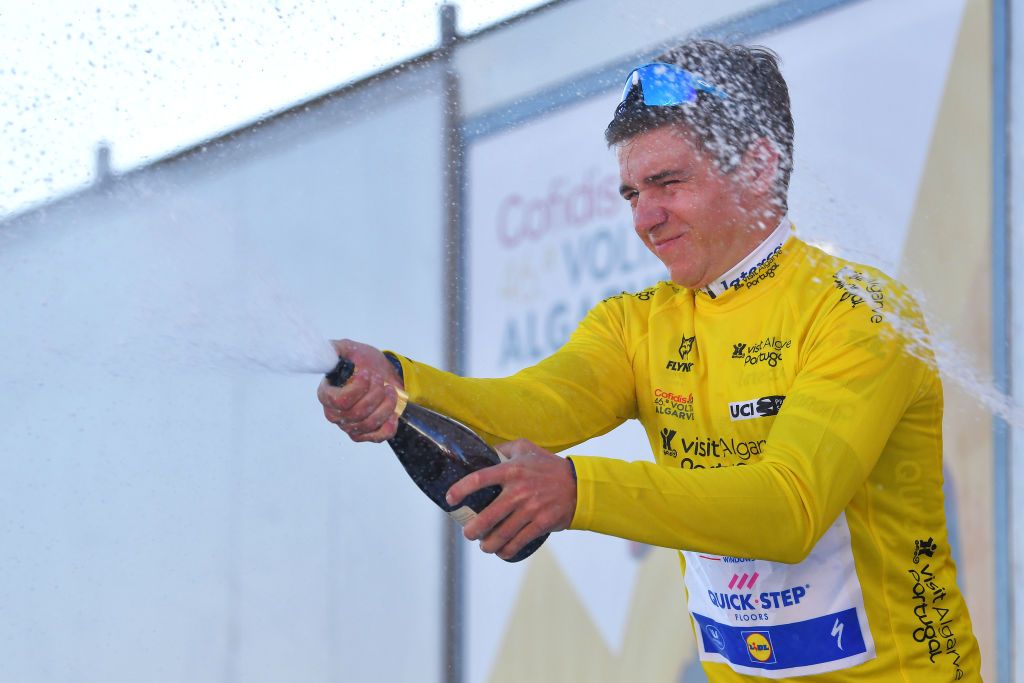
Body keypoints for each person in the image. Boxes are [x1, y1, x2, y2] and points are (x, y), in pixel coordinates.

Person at [318, 40, 981, 681]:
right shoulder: (637, 323)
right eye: (632, 193)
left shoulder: (859, 310)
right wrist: (399, 383)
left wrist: (579, 490)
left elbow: (787, 508)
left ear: (758, 166)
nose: (646, 218)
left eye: (667, 182)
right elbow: (532, 409)